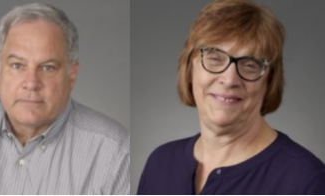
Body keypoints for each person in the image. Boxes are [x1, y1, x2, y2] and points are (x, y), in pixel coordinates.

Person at [0, 3, 129, 194]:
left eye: (47, 67)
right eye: (18, 65)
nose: (31, 83)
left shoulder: (116, 154)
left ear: (72, 74)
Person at [137, 0, 325, 194]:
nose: (229, 79)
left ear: (269, 81)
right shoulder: (160, 163)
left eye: (250, 64)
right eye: (215, 58)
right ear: (189, 67)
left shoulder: (306, 181)